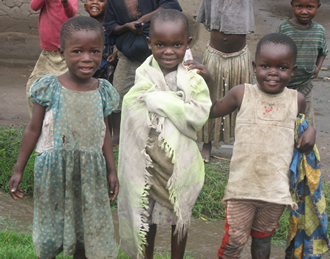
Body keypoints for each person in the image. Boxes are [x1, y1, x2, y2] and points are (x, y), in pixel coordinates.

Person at [9, 16, 119, 259]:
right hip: (54, 173)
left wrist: (112, 171)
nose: (87, 58)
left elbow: (104, 133)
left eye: (94, 51)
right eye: (77, 51)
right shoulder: (49, 87)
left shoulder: (103, 91)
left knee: (87, 232)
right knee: (51, 233)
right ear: (61, 52)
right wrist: (18, 170)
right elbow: (33, 129)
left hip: (91, 173)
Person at [201, 33, 316, 258]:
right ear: (254, 67)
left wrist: (311, 132)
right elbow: (213, 110)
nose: (273, 72)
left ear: (293, 70)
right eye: (265, 66)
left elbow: (303, 128)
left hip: (275, 190)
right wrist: (209, 80)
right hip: (242, 187)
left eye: (282, 67)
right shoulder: (242, 94)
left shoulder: (297, 100)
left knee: (263, 241)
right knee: (234, 239)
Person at [117, 9, 212, 259]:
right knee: (147, 221)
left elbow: (199, 115)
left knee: (178, 220)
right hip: (147, 165)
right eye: (160, 44)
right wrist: (164, 102)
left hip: (176, 166)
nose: (168, 51)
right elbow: (133, 111)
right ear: (149, 44)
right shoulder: (143, 77)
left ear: (188, 44)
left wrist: (159, 101)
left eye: (176, 44)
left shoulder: (193, 80)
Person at [104, 0, 182, 145]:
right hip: (127, 57)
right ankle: (118, 135)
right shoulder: (113, 2)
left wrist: (144, 19)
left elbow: (172, 6)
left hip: (158, 59)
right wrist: (127, 26)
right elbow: (110, 27)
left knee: (160, 95)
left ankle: (161, 134)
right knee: (118, 95)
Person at [196, 0, 255, 162]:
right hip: (214, 54)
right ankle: (206, 143)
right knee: (208, 97)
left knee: (242, 102)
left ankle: (241, 146)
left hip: (239, 57)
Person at [277, 0, 328, 128]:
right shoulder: (285, 27)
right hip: (284, 85)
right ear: (292, 5)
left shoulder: (319, 31)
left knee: (305, 119)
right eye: (299, 6)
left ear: (318, 7)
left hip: (305, 85)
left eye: (310, 7)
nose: (304, 11)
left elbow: (323, 51)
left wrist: (317, 68)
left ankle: (303, 144)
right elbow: (275, 50)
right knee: (282, 117)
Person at [26, 0, 79, 118]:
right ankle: (37, 126)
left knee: (65, 94)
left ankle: (61, 126)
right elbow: (34, 6)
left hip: (64, 55)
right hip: (47, 54)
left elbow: (71, 12)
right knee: (32, 90)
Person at [85, 0, 118, 82]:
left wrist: (115, 55)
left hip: (106, 68)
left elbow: (122, 42)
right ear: (85, 7)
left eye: (101, 0)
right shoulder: (82, 27)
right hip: (87, 66)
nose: (95, 2)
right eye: (91, 0)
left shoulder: (111, 27)